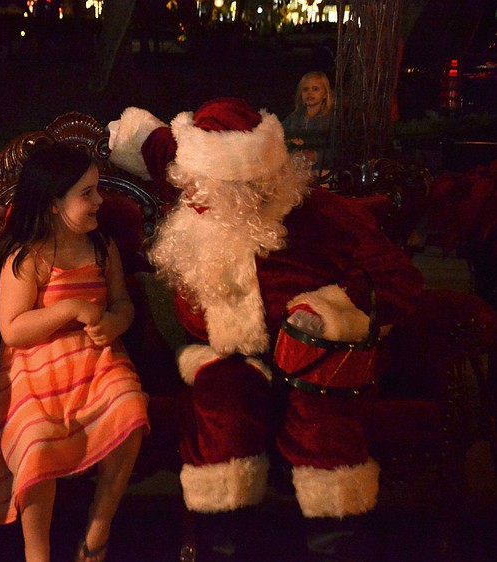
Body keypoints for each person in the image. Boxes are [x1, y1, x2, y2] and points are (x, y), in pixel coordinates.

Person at [107, 98, 423, 561]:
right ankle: (223, 541)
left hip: (313, 356)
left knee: (322, 421)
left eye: (214, 187)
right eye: (193, 183)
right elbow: (151, 144)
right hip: (224, 352)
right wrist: (129, 134)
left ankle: (334, 541)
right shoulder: (195, 186)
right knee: (223, 409)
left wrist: (331, 311)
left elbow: (396, 279)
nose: (194, 196)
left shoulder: (321, 214)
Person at [0, 144, 150, 562]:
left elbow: (122, 303)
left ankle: (99, 525)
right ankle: (36, 550)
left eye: (97, 190)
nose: (100, 201)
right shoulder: (27, 256)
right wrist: (69, 308)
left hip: (96, 358)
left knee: (131, 410)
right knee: (37, 439)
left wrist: (115, 322)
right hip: (35, 363)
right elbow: (12, 329)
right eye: (87, 193)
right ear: (53, 203)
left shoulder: (101, 247)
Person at [281, 70, 335, 174]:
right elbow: (279, 136)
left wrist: (315, 155)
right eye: (305, 89)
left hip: (321, 172)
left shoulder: (330, 120)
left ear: (325, 94)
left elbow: (337, 152)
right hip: (295, 170)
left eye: (315, 89)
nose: (310, 93)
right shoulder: (293, 118)